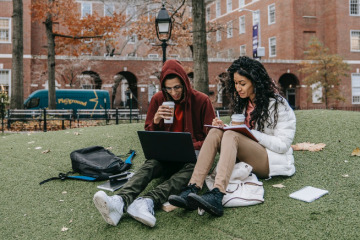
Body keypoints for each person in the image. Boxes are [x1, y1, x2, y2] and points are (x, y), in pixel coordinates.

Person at [93, 59, 215, 227]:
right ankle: (119, 201)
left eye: (178, 87)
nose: (174, 92)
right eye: (169, 88)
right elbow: (150, 135)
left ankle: (147, 201)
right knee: (151, 164)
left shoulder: (202, 100)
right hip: (166, 156)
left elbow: (212, 138)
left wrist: (191, 146)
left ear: (185, 83)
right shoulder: (158, 99)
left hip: (192, 156)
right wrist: (156, 120)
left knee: (194, 168)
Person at [169, 56, 296, 217]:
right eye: (236, 83)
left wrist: (248, 133)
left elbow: (283, 144)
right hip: (246, 155)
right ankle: (192, 188)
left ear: (255, 82)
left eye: (242, 84)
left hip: (269, 160)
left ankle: (217, 193)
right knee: (216, 131)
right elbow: (239, 134)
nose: (238, 88)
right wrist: (224, 127)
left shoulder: (278, 104)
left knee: (231, 135)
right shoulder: (243, 103)